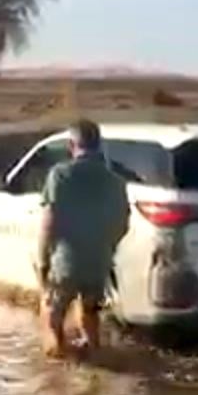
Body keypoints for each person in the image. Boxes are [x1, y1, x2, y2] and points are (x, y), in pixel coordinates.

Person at [36, 119, 130, 358]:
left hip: (67, 260)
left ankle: (58, 361)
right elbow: (123, 224)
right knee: (90, 311)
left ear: (71, 145)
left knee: (51, 310)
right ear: (99, 144)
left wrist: (43, 261)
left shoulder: (60, 175)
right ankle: (93, 353)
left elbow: (49, 222)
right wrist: (106, 247)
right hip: (99, 262)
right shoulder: (115, 181)